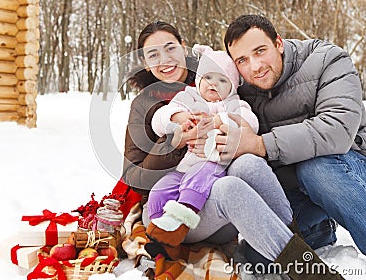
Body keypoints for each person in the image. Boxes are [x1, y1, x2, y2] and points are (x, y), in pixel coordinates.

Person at [122, 20, 344, 279]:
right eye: (153, 54)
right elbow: (135, 179)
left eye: (170, 48)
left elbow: (250, 124)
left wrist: (230, 129)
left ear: (184, 47)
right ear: (146, 63)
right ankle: (311, 273)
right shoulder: (146, 104)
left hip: (220, 209)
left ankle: (291, 240)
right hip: (170, 206)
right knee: (228, 187)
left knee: (247, 163)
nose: (165, 59)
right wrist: (176, 140)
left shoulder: (221, 75)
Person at [221, 14, 366, 257]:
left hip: (349, 169)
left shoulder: (327, 59)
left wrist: (260, 144)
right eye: (242, 60)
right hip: (294, 188)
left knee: (316, 169)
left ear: (278, 43)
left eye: (260, 51)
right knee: (256, 260)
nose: (254, 67)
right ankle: (318, 227)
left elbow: (337, 130)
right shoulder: (240, 88)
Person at [145, 46, 259, 259]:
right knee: (160, 190)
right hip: (185, 166)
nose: (214, 83)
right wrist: (178, 117)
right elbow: (159, 118)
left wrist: (219, 120)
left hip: (214, 164)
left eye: (223, 80)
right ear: (198, 80)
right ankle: (162, 237)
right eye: (208, 77)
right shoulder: (190, 98)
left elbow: (251, 122)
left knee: (198, 178)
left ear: (233, 86)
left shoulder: (232, 103)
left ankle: (180, 220)